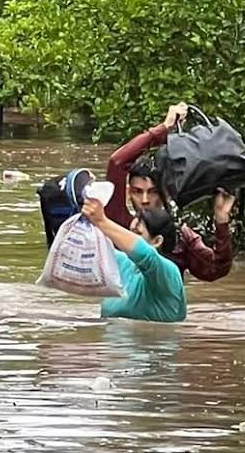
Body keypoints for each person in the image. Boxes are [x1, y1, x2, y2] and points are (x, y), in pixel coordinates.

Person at [106, 102, 235, 281]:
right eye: (138, 191)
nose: (145, 199)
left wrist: (221, 220)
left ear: (164, 192)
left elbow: (215, 269)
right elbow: (117, 163)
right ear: (128, 192)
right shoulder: (120, 223)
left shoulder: (179, 236)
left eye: (152, 192)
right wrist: (164, 129)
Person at [81, 196, 186, 322]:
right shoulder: (122, 262)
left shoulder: (169, 272)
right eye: (129, 231)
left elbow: (146, 254)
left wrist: (102, 221)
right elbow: (89, 250)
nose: (129, 237)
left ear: (157, 241)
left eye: (137, 233)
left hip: (151, 335)